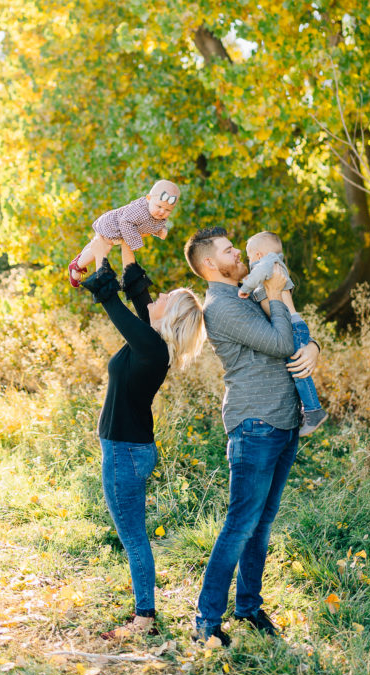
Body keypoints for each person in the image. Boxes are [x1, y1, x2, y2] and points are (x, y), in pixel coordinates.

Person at [183, 226, 320, 645]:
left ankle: (248, 608)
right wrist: (276, 293)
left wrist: (313, 346)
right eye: (228, 251)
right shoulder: (222, 307)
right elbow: (280, 342)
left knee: (261, 525)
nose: (238, 254)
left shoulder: (246, 292)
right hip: (254, 425)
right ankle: (207, 620)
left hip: (283, 420)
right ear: (210, 264)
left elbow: (294, 333)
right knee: (240, 525)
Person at [81, 249, 204, 637]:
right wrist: (123, 236)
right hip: (127, 450)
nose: (157, 297)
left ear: (172, 316)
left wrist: (99, 259)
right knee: (133, 535)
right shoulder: (151, 341)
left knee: (133, 537)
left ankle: (144, 620)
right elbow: (135, 292)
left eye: (165, 297)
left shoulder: (151, 348)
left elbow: (113, 302)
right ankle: (144, 614)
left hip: (125, 454)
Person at [239, 231, 328, 436]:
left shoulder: (269, 263)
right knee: (296, 369)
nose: (249, 261)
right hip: (293, 324)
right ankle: (307, 409)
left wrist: (245, 288)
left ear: (259, 255)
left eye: (250, 256)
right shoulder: (274, 265)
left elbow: (257, 275)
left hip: (292, 326)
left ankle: (314, 411)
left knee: (299, 371)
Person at [68, 179, 181, 286]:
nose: (162, 212)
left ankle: (79, 260)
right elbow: (125, 222)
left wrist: (160, 231)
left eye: (168, 210)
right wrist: (135, 242)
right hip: (112, 226)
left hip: (115, 228)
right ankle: (77, 266)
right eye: (159, 206)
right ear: (148, 198)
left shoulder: (155, 214)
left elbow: (149, 226)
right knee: (103, 248)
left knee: (95, 244)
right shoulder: (139, 210)